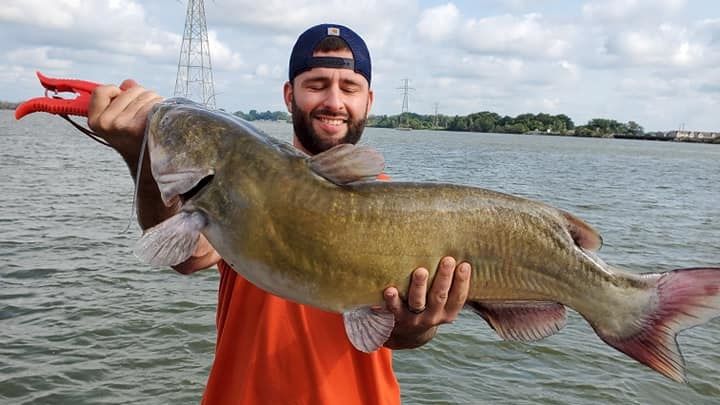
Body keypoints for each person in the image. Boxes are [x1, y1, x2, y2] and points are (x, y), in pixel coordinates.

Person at [88, 23, 472, 405]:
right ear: (290, 95)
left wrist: (420, 326)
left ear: (368, 100)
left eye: (349, 88)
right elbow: (188, 257)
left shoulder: (401, 207)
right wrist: (138, 152)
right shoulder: (242, 176)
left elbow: (400, 335)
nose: (334, 102)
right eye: (317, 84)